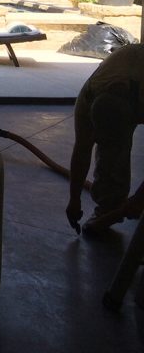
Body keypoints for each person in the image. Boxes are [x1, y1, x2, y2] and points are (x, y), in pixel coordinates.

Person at [66, 43, 144, 234]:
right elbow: (82, 150)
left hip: (133, 89)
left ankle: (111, 206)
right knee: (111, 152)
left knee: (115, 150)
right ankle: (109, 206)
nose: (98, 140)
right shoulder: (87, 99)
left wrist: (139, 200)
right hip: (121, 85)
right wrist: (74, 200)